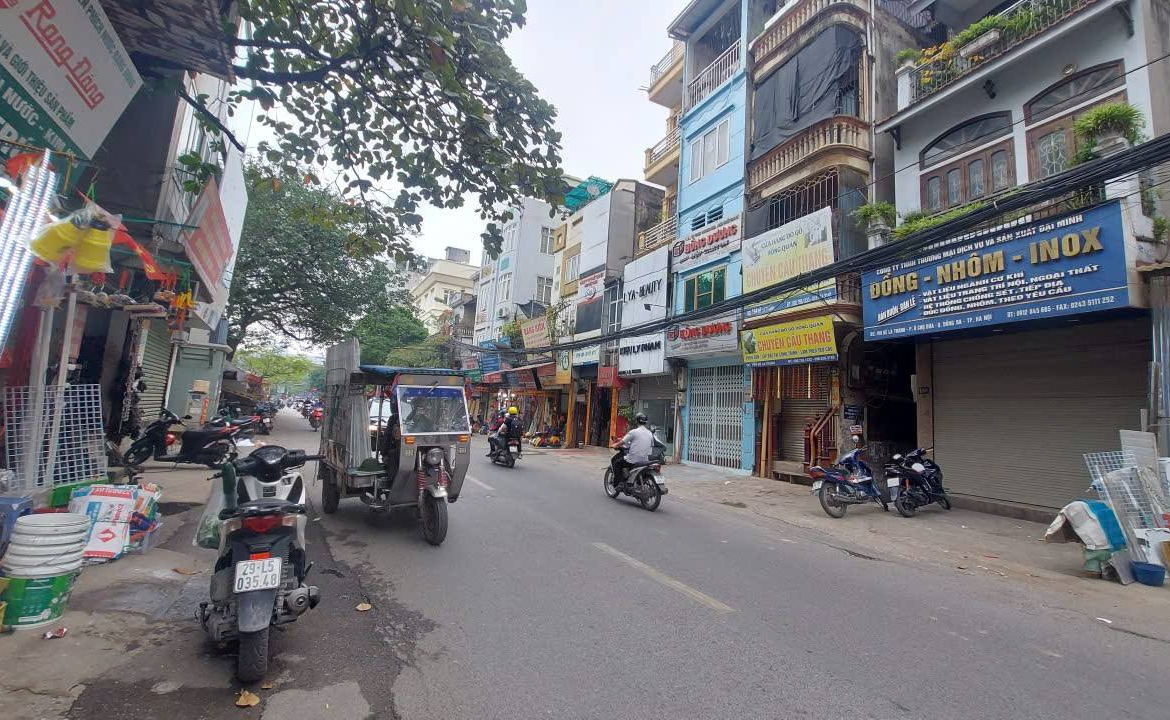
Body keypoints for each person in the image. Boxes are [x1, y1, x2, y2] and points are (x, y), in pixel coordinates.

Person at [611, 413, 654, 483]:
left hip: (633, 459)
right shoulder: (650, 433)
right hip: (645, 460)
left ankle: (620, 483)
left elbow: (622, 442)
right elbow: (650, 446)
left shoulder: (634, 432)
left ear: (636, 421)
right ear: (646, 422)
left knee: (617, 464)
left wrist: (615, 445)